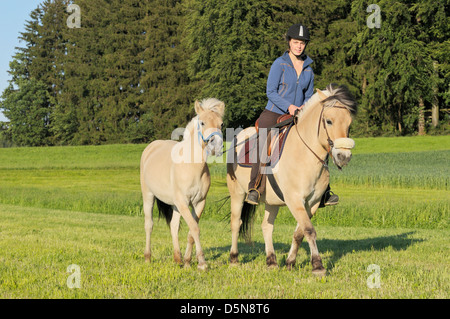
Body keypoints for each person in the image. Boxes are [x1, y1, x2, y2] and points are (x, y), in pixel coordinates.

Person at [245, 23, 339, 207]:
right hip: (274, 112)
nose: (299, 46)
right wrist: (289, 107)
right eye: (295, 42)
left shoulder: (309, 69)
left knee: (321, 141)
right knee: (263, 141)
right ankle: (254, 188)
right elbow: (270, 92)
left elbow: (309, 96)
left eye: (302, 43)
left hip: (298, 115)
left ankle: (324, 192)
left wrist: (303, 108)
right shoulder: (278, 64)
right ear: (289, 42)